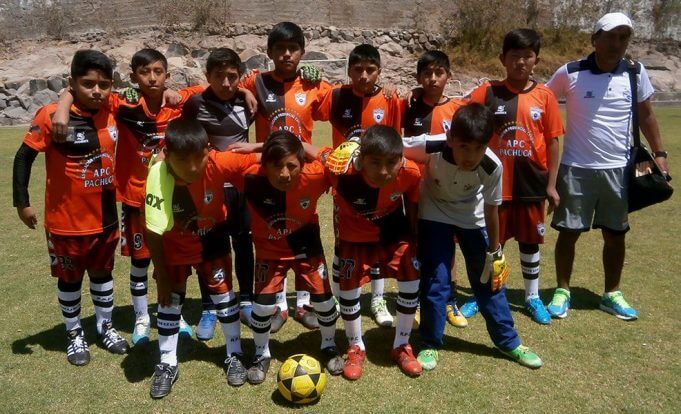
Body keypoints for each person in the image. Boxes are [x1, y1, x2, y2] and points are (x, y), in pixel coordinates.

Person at [545, 12, 669, 321]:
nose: (617, 44)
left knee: (616, 234)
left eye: (624, 37)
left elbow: (648, 114)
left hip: (619, 168)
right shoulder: (569, 72)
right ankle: (563, 290)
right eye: (611, 36)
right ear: (595, 39)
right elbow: (542, 103)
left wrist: (660, 152)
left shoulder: (634, 71)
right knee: (569, 233)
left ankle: (611, 293)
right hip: (575, 167)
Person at [403, 103, 542, 371]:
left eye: (478, 148)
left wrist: (495, 250)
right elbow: (393, 146)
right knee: (436, 280)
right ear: (451, 138)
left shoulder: (492, 165)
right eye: (465, 147)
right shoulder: (430, 145)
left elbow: (492, 210)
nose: (471, 155)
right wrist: (358, 146)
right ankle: (431, 343)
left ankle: (508, 342)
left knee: (488, 282)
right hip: (435, 214)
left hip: (473, 217)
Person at [12, 49, 129, 366]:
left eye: (104, 84)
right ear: (73, 83)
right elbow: (23, 157)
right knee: (70, 280)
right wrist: (21, 203)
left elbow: (143, 93)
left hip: (105, 217)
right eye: (88, 83)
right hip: (66, 223)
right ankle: (74, 333)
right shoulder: (50, 116)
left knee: (103, 276)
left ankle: (105, 328)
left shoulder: (114, 108)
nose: (96, 91)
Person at [145, 119, 256, 398]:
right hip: (173, 246)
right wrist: (161, 277)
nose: (193, 167)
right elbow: (153, 231)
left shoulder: (218, 162)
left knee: (224, 297)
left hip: (212, 240)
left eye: (199, 158)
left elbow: (268, 159)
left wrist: (263, 148)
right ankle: (167, 362)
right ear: (167, 155)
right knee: (170, 301)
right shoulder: (156, 175)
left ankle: (234, 353)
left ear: (208, 150)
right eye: (183, 160)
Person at [462, 28, 564, 325]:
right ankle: (484, 296)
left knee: (530, 243)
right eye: (515, 56)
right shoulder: (488, 92)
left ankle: (532, 297)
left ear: (536, 60)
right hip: (495, 184)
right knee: (493, 243)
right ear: (503, 59)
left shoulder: (545, 96)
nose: (521, 62)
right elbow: (458, 109)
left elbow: (554, 141)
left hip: (532, 182)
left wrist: (552, 185)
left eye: (527, 56)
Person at [226, 131, 343, 384]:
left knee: (323, 301)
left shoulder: (316, 174)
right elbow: (208, 160)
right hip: (270, 253)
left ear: (302, 163)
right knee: (263, 306)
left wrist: (298, 144)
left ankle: (329, 346)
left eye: (292, 166)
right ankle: (261, 354)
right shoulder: (248, 173)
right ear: (264, 163)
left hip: (307, 248)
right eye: (276, 166)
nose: (285, 174)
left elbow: (337, 160)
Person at [322, 125, 423, 380]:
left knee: (412, 277)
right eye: (375, 163)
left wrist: (416, 240)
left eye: (392, 162)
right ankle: (355, 346)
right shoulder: (339, 169)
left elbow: (412, 208)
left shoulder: (411, 173)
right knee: (348, 289)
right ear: (361, 159)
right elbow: (312, 153)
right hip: (353, 237)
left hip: (392, 232)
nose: (384, 171)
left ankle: (401, 345)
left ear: (402, 158)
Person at [316, 43, 403, 328]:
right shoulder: (336, 96)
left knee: (377, 245)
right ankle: (343, 295)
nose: (364, 75)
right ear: (348, 71)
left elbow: (396, 141)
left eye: (370, 69)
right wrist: (309, 77)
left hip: (379, 182)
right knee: (344, 243)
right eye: (358, 69)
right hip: (346, 184)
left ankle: (378, 300)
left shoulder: (390, 100)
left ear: (379, 71)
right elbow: (310, 104)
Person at [182, 47, 256, 340]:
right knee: (209, 249)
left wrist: (245, 92)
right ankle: (209, 306)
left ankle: (247, 301)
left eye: (232, 77)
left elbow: (258, 82)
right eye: (218, 76)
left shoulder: (248, 101)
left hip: (241, 187)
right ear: (207, 76)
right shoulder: (195, 104)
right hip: (208, 190)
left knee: (244, 243)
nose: (226, 83)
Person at [402, 50, 467, 328]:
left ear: (448, 76)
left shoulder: (457, 109)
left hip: (444, 189)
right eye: (426, 74)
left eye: (438, 73)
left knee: (448, 245)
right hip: (415, 186)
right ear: (418, 77)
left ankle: (450, 299)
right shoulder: (408, 107)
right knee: (416, 240)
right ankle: (415, 299)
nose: (432, 78)